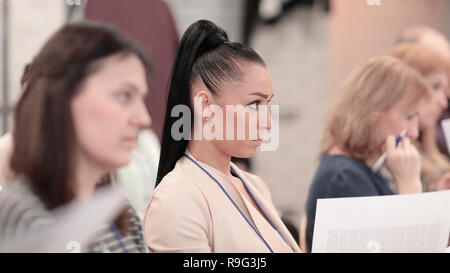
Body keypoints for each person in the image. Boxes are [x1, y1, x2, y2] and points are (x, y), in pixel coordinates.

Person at [143, 20, 301, 253]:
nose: (268, 123)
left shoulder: (256, 185)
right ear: (205, 106)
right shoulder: (175, 200)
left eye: (267, 104)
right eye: (254, 104)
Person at [0, 22, 151, 252]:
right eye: (124, 96)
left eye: (141, 99)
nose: (143, 118)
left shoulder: (121, 214)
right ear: (65, 98)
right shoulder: (25, 215)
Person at [304, 55, 431, 252]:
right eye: (408, 117)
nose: (414, 132)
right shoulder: (345, 178)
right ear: (371, 115)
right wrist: (409, 184)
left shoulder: (360, 169)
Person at [389, 42, 450, 192]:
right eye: (435, 87)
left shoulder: (432, 151)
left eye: (444, 89)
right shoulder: (394, 157)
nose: (443, 102)